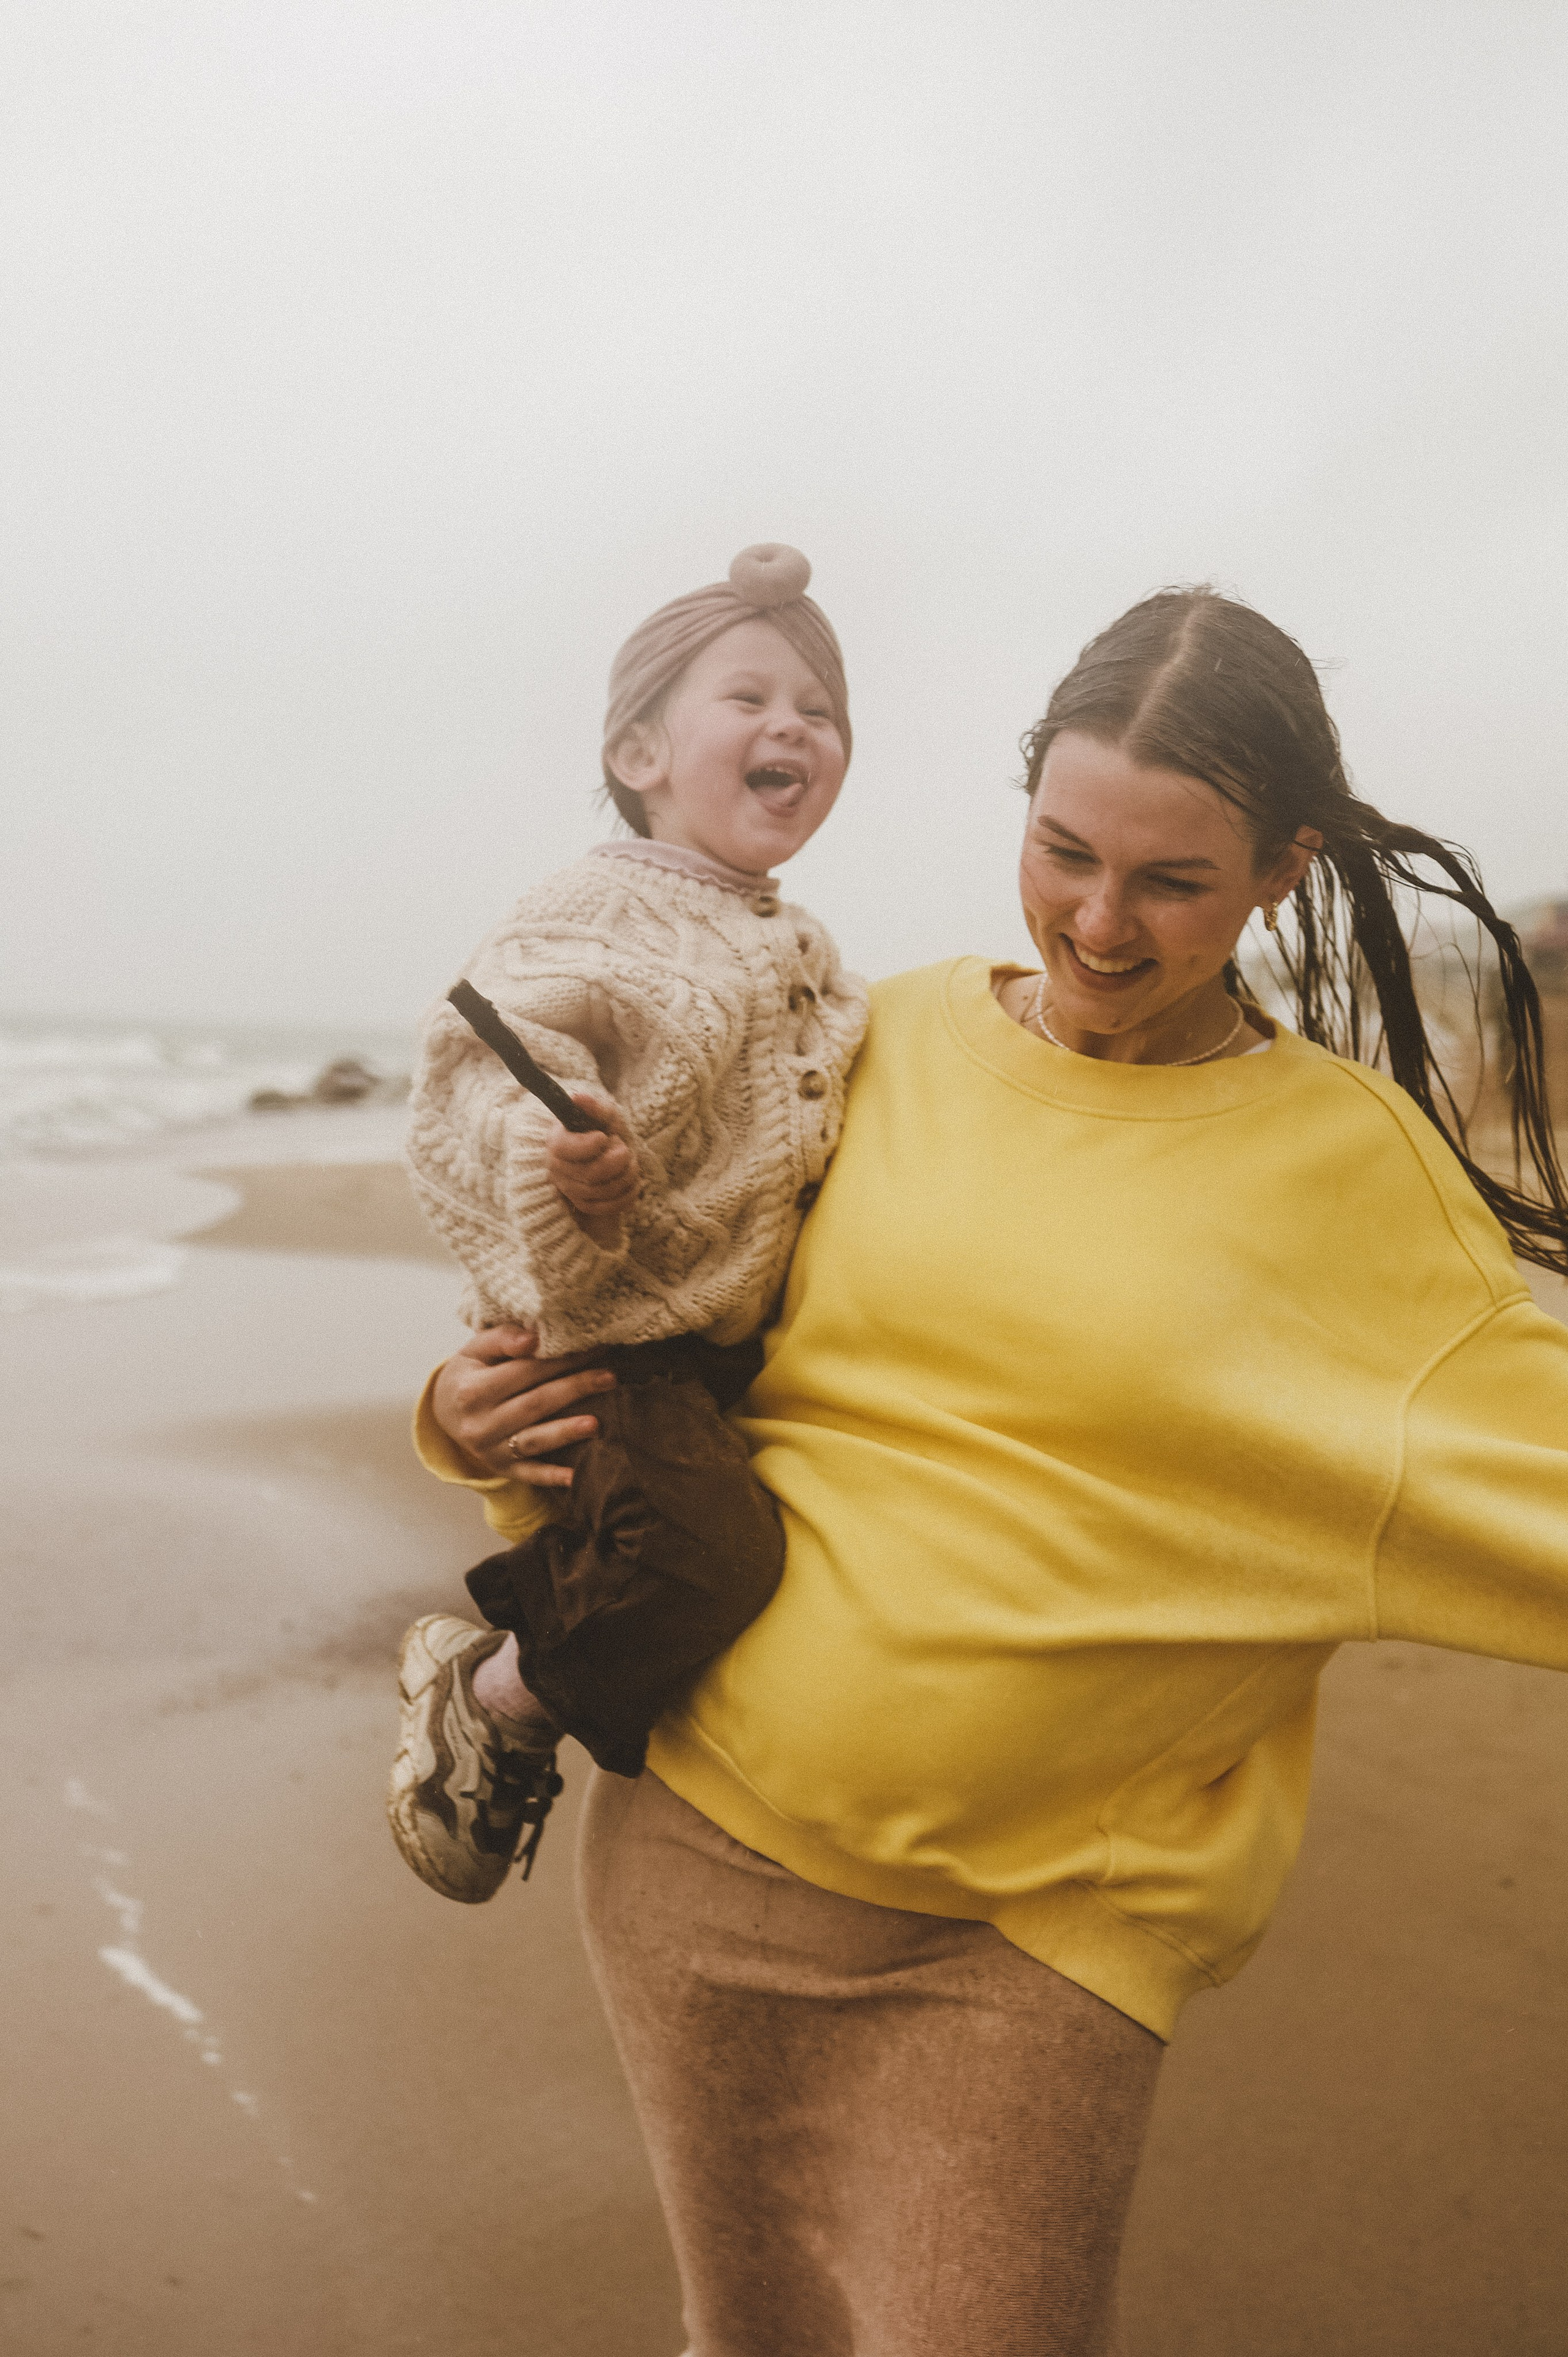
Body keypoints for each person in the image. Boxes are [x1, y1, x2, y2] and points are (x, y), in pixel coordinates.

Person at [421, 586, 1568, 2357]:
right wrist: (465, 1414)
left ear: (1284, 868)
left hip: (1025, 1952)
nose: (1100, 923)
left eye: (1173, 882)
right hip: (690, 1860)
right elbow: (667, 1334)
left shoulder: (1354, 1179)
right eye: (1063, 850)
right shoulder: (881, 1041)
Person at [388, 545, 867, 1903]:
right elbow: (471, 1076)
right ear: (640, 747)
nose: (792, 726)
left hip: (711, 1346)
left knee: (703, 1546)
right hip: (608, 1337)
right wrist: (560, 1155)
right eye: (750, 698)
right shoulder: (590, 911)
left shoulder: (804, 948)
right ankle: (495, 1691)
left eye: (820, 710)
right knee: (708, 1558)